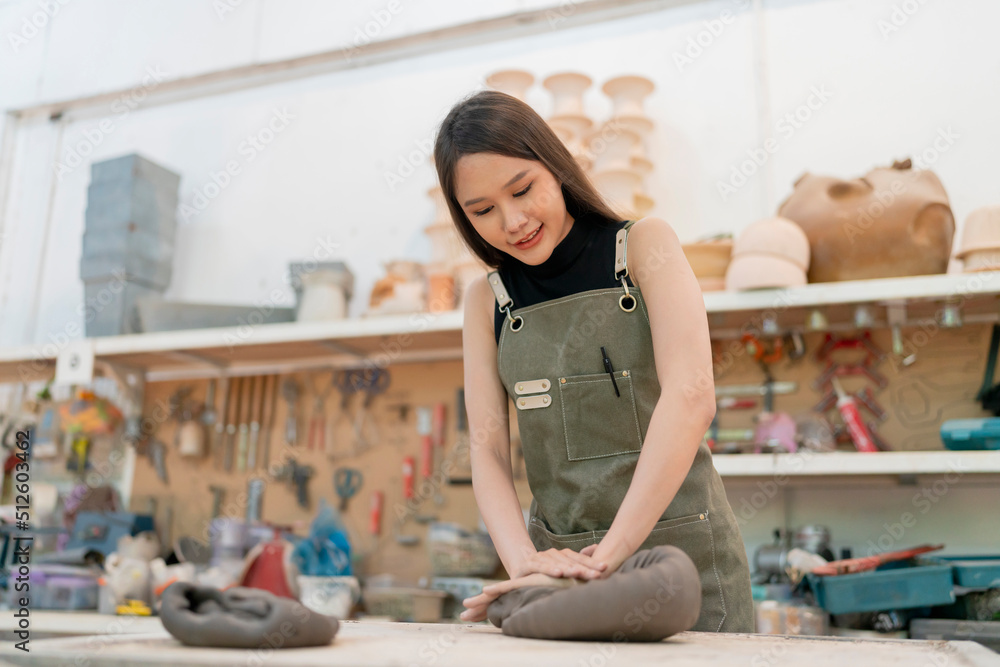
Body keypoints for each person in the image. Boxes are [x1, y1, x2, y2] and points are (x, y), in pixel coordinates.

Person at [433, 90, 754, 633]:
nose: (511, 221)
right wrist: (525, 565)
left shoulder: (643, 247)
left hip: (682, 568)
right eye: (483, 210)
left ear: (556, 167)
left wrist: (610, 556)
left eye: (522, 189)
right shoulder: (487, 301)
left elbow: (692, 396)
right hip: (561, 579)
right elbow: (486, 448)